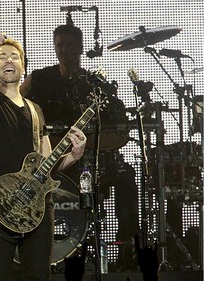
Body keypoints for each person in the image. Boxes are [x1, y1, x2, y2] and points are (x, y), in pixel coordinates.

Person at [0, 27, 87, 281]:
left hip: (38, 209)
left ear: (23, 67)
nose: (8, 60)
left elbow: (47, 166)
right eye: (2, 57)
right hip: (0, 206)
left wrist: (74, 156)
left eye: (14, 57)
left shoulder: (36, 111)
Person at [21, 24, 140, 270]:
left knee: (127, 177)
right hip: (52, 162)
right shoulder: (40, 78)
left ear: (81, 48)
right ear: (54, 48)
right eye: (59, 45)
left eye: (69, 45)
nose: (64, 50)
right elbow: (15, 108)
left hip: (88, 161)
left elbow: (118, 122)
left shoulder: (94, 84)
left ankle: (126, 250)